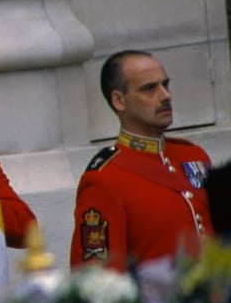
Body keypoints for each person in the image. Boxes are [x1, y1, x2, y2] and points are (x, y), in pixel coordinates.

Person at [70, 50, 213, 271]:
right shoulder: (105, 178)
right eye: (149, 88)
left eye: (165, 85)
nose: (165, 95)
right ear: (119, 100)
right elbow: (99, 279)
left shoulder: (194, 156)